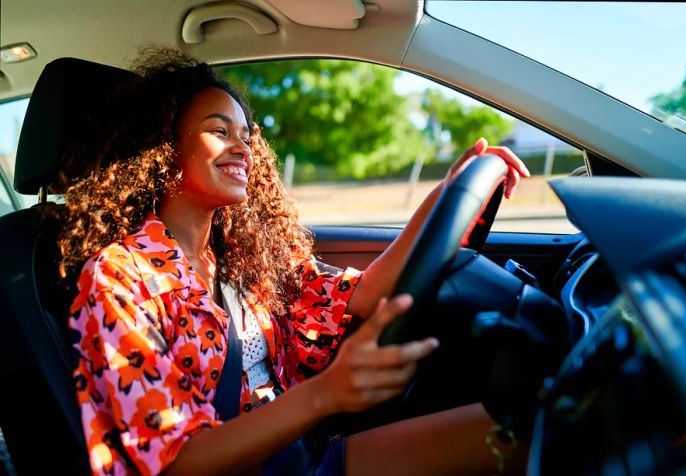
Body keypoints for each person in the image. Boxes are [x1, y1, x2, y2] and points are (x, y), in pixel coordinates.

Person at [60, 48, 530, 476]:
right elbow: (174, 464)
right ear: (164, 147)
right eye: (219, 131)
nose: (243, 148)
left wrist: (448, 191)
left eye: (246, 135)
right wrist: (324, 395)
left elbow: (363, 293)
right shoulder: (118, 277)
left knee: (531, 428)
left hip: (300, 453)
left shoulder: (240, 259)